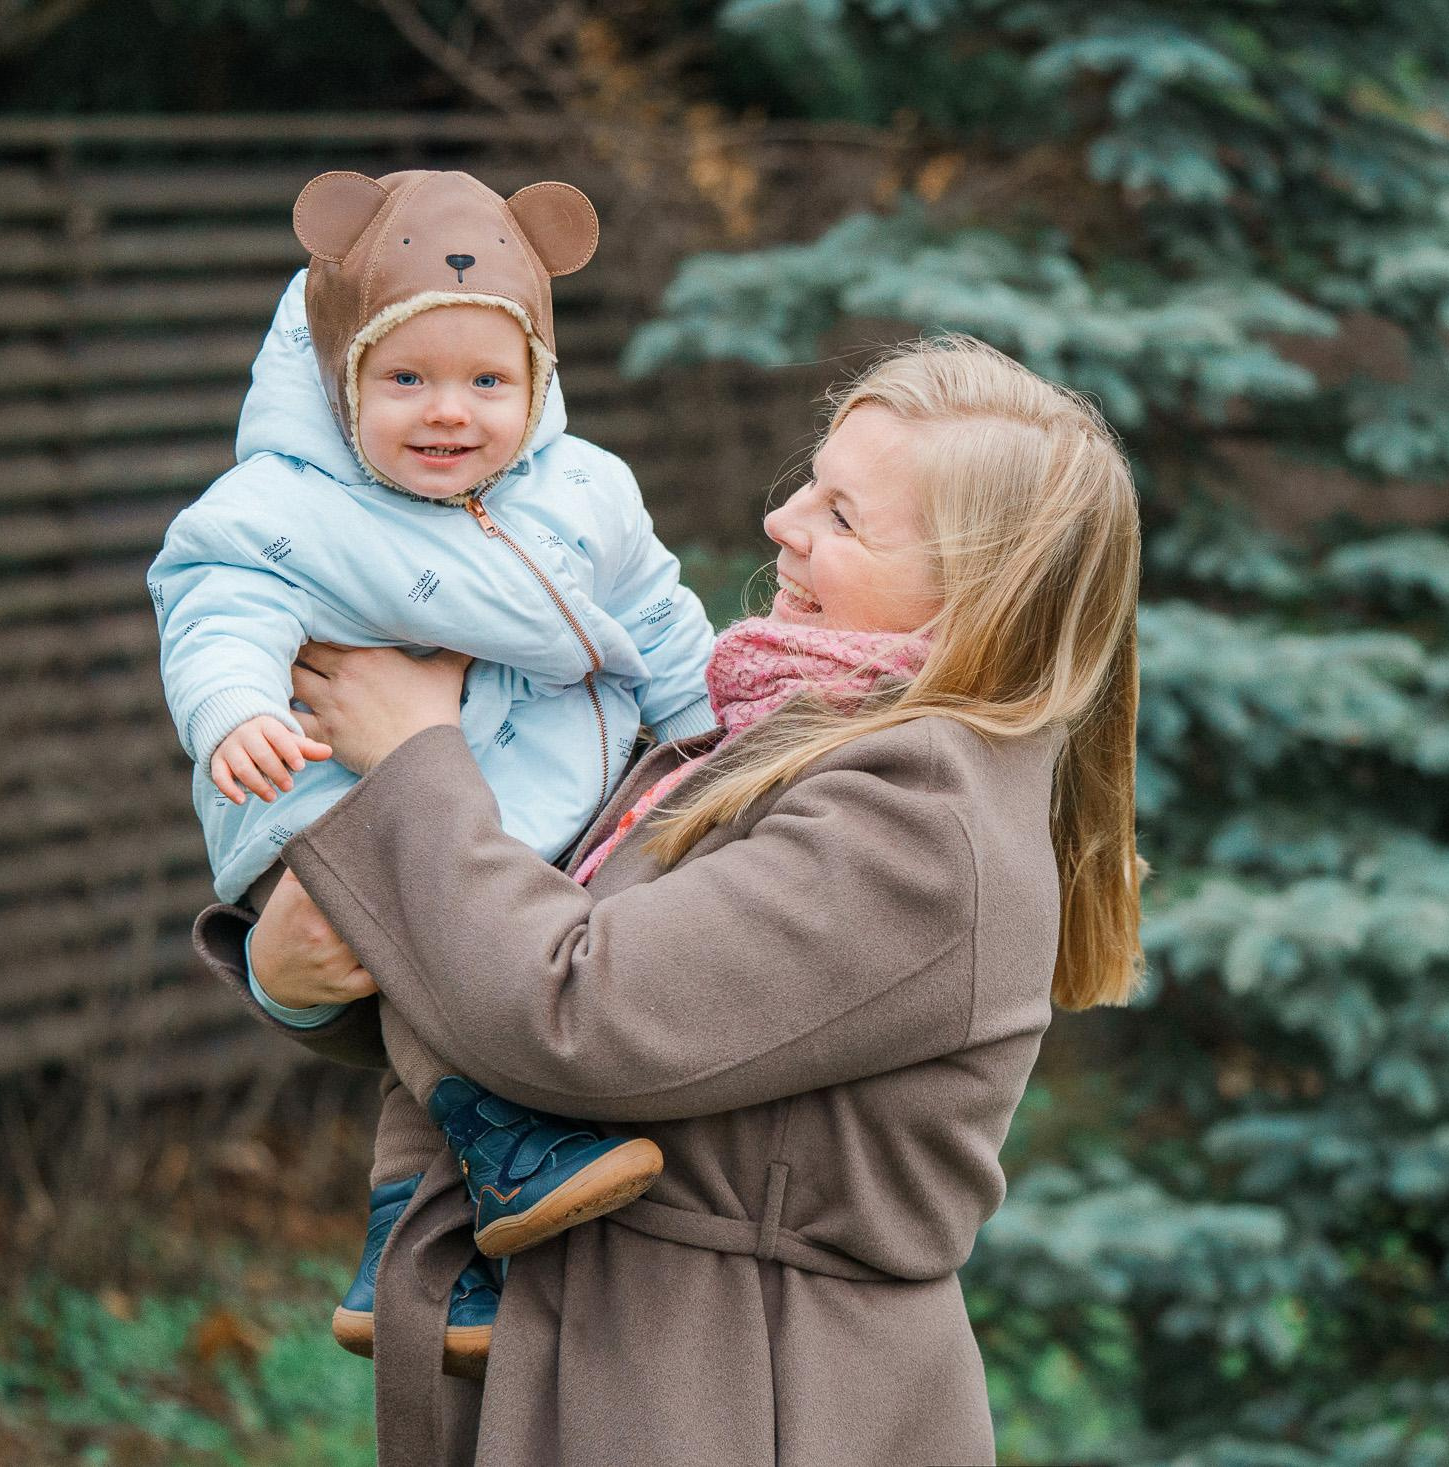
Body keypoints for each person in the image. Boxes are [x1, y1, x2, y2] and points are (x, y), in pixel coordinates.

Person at [195, 334, 1146, 1466]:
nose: (783, 523)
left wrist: (414, 757)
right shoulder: (758, 737)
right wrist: (295, 982)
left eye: (842, 519)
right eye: (810, 484)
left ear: (982, 598)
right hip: (630, 1364)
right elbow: (497, 954)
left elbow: (576, 1016)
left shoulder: (921, 819)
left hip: (750, 1398)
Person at [150, 169, 718, 1374]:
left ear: (539, 384)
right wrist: (234, 711)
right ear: (338, 377)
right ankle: (505, 1135)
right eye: (404, 380)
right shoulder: (282, 507)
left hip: (511, 794)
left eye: (487, 382)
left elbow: (661, 622)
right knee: (422, 952)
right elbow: (216, 610)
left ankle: (398, 1245)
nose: (447, 413)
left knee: (462, 952)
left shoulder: (585, 493)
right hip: (318, 791)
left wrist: (721, 736)